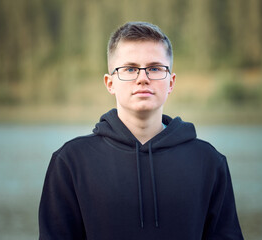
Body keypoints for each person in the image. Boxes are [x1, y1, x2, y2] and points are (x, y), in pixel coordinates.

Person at [38, 21, 244, 240]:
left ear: (171, 82)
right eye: (130, 69)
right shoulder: (71, 161)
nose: (143, 78)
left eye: (155, 68)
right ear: (110, 83)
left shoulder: (208, 161)